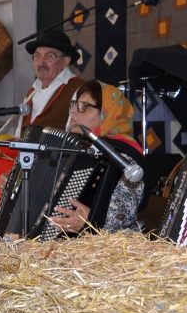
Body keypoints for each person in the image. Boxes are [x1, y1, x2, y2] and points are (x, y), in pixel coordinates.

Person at [47, 79, 145, 234]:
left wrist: (90, 220)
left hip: (110, 245)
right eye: (75, 104)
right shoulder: (78, 148)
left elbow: (124, 216)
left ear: (108, 114)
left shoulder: (124, 158)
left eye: (84, 106)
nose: (73, 111)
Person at [17, 29, 85, 136]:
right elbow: (18, 136)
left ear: (66, 61)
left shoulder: (79, 89)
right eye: (37, 56)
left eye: (49, 56)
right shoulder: (31, 92)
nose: (41, 62)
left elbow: (80, 136)